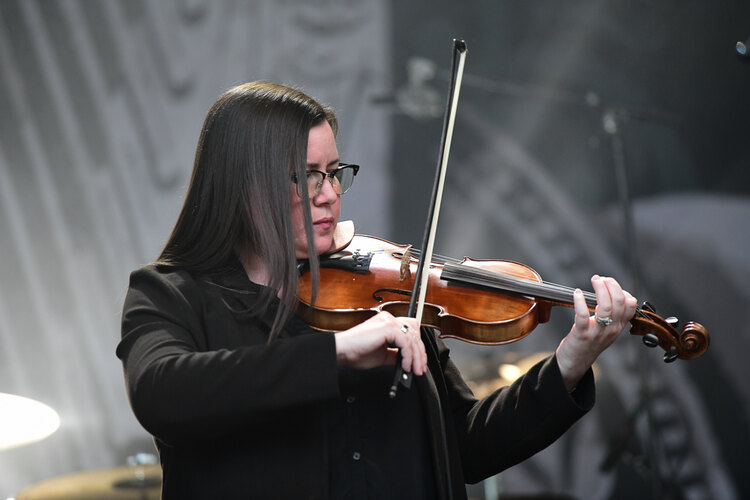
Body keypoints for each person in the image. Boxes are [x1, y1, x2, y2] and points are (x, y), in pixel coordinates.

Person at [117, 81, 637, 499]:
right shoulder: (172, 294)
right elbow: (162, 393)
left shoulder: (382, 296)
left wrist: (568, 365)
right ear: (243, 185)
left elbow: (466, 445)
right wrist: (335, 354)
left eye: (334, 173)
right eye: (306, 176)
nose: (329, 194)